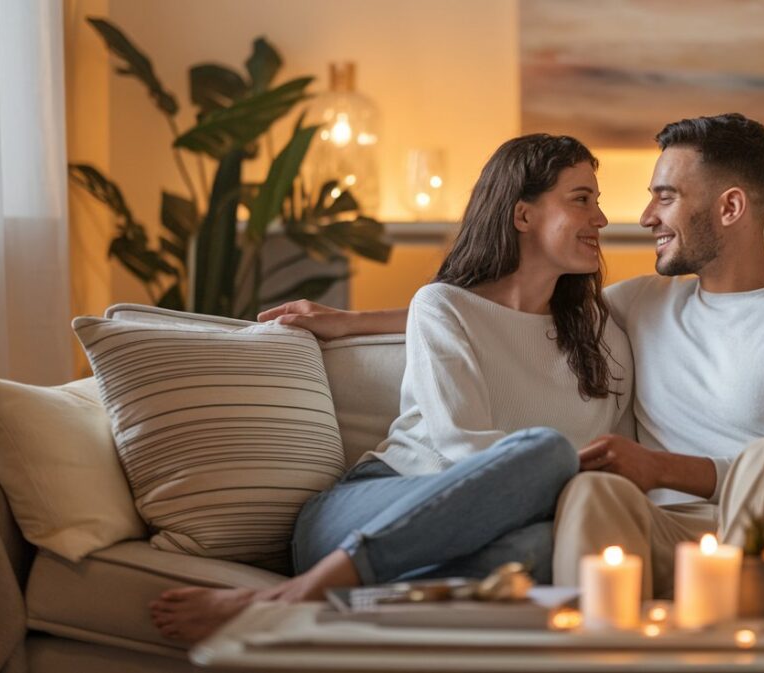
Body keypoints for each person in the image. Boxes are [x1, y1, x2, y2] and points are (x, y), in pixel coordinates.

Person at [149, 133, 633, 643]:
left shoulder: (605, 339)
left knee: (539, 548)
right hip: (368, 509)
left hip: (487, 533)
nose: (600, 218)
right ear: (523, 215)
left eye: (597, 202)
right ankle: (292, 594)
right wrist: (561, 470)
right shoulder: (443, 306)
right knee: (549, 451)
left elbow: (622, 459)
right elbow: (460, 444)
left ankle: (333, 609)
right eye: (582, 199)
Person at [553, 113, 764, 598]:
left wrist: (659, 468)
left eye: (666, 197)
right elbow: (516, 313)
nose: (646, 217)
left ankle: (745, 642)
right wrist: (434, 309)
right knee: (592, 491)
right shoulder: (642, 303)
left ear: (730, 207)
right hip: (674, 534)